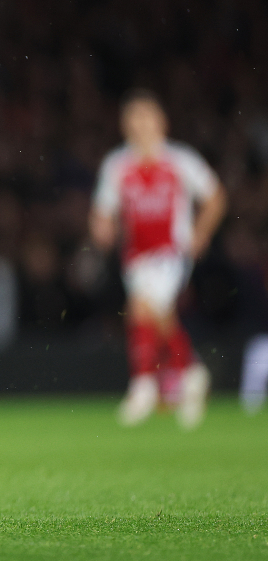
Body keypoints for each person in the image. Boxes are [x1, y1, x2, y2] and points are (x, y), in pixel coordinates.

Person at [90, 90, 226, 429]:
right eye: (133, 117)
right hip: (135, 257)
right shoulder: (117, 164)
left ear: (161, 122)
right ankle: (191, 372)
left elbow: (215, 197)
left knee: (140, 307)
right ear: (124, 124)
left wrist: (201, 231)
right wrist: (101, 228)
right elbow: (102, 210)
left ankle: (143, 385)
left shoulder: (181, 160)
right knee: (155, 315)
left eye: (146, 116)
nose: (140, 124)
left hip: (171, 252)